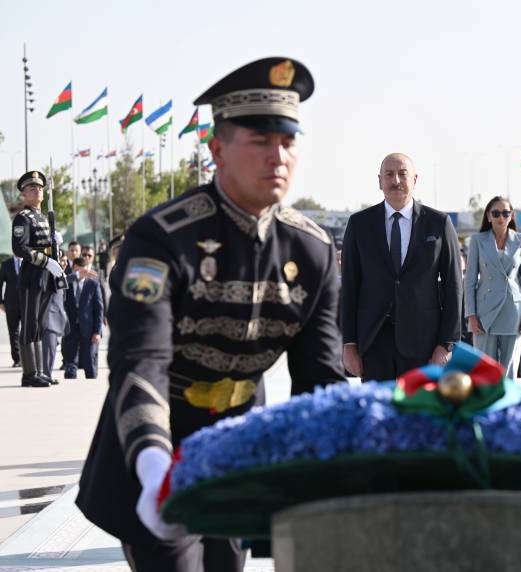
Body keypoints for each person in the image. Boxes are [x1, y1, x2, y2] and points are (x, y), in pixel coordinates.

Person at [75, 57, 345, 572]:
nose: (278, 157)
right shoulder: (162, 236)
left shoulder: (312, 251)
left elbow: (321, 378)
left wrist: (337, 470)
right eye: (260, 141)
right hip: (155, 439)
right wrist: (156, 467)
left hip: (237, 448)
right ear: (217, 149)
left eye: (288, 142)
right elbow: (140, 362)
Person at [340, 153, 462, 380]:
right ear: (379, 181)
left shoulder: (438, 223)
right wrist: (348, 343)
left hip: (423, 344)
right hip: (372, 343)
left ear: (415, 179)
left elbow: (453, 286)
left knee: (419, 414)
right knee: (377, 413)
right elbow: (349, 286)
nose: (396, 180)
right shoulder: (359, 224)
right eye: (389, 174)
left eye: (402, 174)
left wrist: (446, 344)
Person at [464, 196, 521, 378]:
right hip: (483, 314)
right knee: (484, 370)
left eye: (505, 213)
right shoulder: (477, 241)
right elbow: (470, 281)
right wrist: (471, 315)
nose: (500, 217)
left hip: (514, 312)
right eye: (496, 213)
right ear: (488, 216)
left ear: (512, 216)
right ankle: (487, 406)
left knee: (509, 371)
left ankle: (508, 406)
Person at [11, 171, 66, 388]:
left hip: (46, 276)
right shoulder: (22, 218)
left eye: (40, 188)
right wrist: (45, 261)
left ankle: (40, 371)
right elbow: (19, 248)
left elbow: (46, 246)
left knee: (40, 324)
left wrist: (56, 249)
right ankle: (29, 373)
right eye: (32, 188)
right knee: (30, 323)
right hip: (32, 275)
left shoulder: (43, 218)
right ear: (24, 194)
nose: (38, 191)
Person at [64, 257, 104, 379]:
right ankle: (71, 378)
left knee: (89, 359)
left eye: (84, 272)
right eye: (78, 272)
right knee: (70, 359)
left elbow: (99, 309)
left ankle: (91, 378)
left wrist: (97, 331)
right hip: (70, 327)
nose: (82, 275)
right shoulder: (67, 284)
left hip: (88, 328)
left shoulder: (93, 284)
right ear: (73, 270)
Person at [41, 282, 68, 385]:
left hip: (57, 312)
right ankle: (45, 375)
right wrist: (77, 275)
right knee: (48, 347)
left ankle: (47, 375)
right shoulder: (48, 267)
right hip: (48, 312)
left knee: (51, 348)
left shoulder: (59, 269)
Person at [0, 256, 22, 367]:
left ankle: (28, 358)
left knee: (28, 331)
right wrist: (0, 302)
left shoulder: (30, 261)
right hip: (11, 303)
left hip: (27, 303)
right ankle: (17, 359)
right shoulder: (6, 264)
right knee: (13, 332)